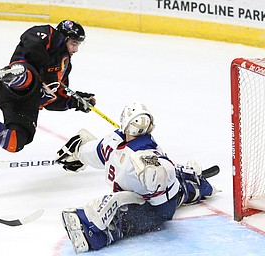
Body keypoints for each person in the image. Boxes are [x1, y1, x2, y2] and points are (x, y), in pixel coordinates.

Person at [55, 102, 220, 254]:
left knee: (119, 209)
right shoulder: (114, 142)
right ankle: (193, 181)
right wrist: (79, 152)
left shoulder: (142, 150)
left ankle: (92, 234)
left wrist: (157, 173)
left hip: (154, 207)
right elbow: (96, 152)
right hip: (152, 198)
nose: (138, 130)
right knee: (178, 185)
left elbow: (162, 170)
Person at [0, 20, 95, 152]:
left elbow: (54, 98)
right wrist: (47, 67)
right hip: (19, 84)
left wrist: (74, 102)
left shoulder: (65, 66)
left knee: (16, 142)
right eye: (74, 43)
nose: (75, 50)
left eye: (78, 45)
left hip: (25, 103)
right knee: (31, 80)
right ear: (63, 38)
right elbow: (30, 42)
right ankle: (15, 77)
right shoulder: (50, 35)